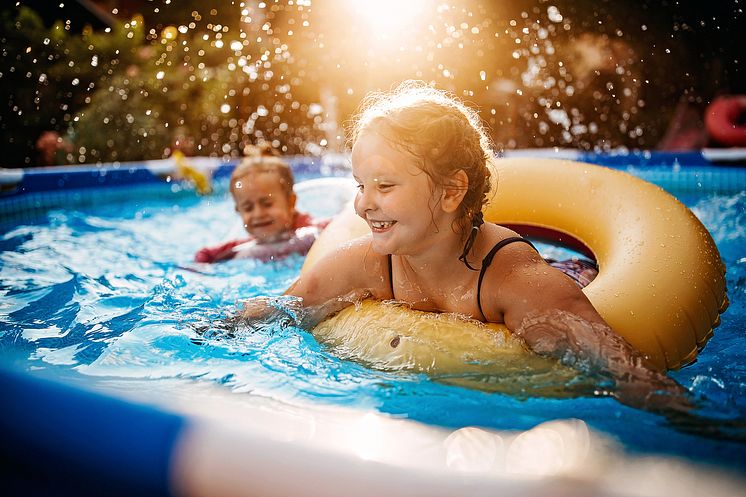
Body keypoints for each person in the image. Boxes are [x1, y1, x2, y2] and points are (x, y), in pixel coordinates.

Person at [244, 81, 688, 412]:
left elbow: (626, 375)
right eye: (361, 185)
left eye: (384, 185)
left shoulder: (515, 281)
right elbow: (277, 311)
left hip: (569, 270)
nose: (363, 204)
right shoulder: (367, 264)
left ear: (453, 191)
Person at [195, 145, 329, 263]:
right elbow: (204, 255)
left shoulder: (313, 230)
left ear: (291, 203)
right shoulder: (248, 244)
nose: (258, 214)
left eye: (267, 204)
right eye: (248, 208)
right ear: (238, 211)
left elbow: (337, 226)